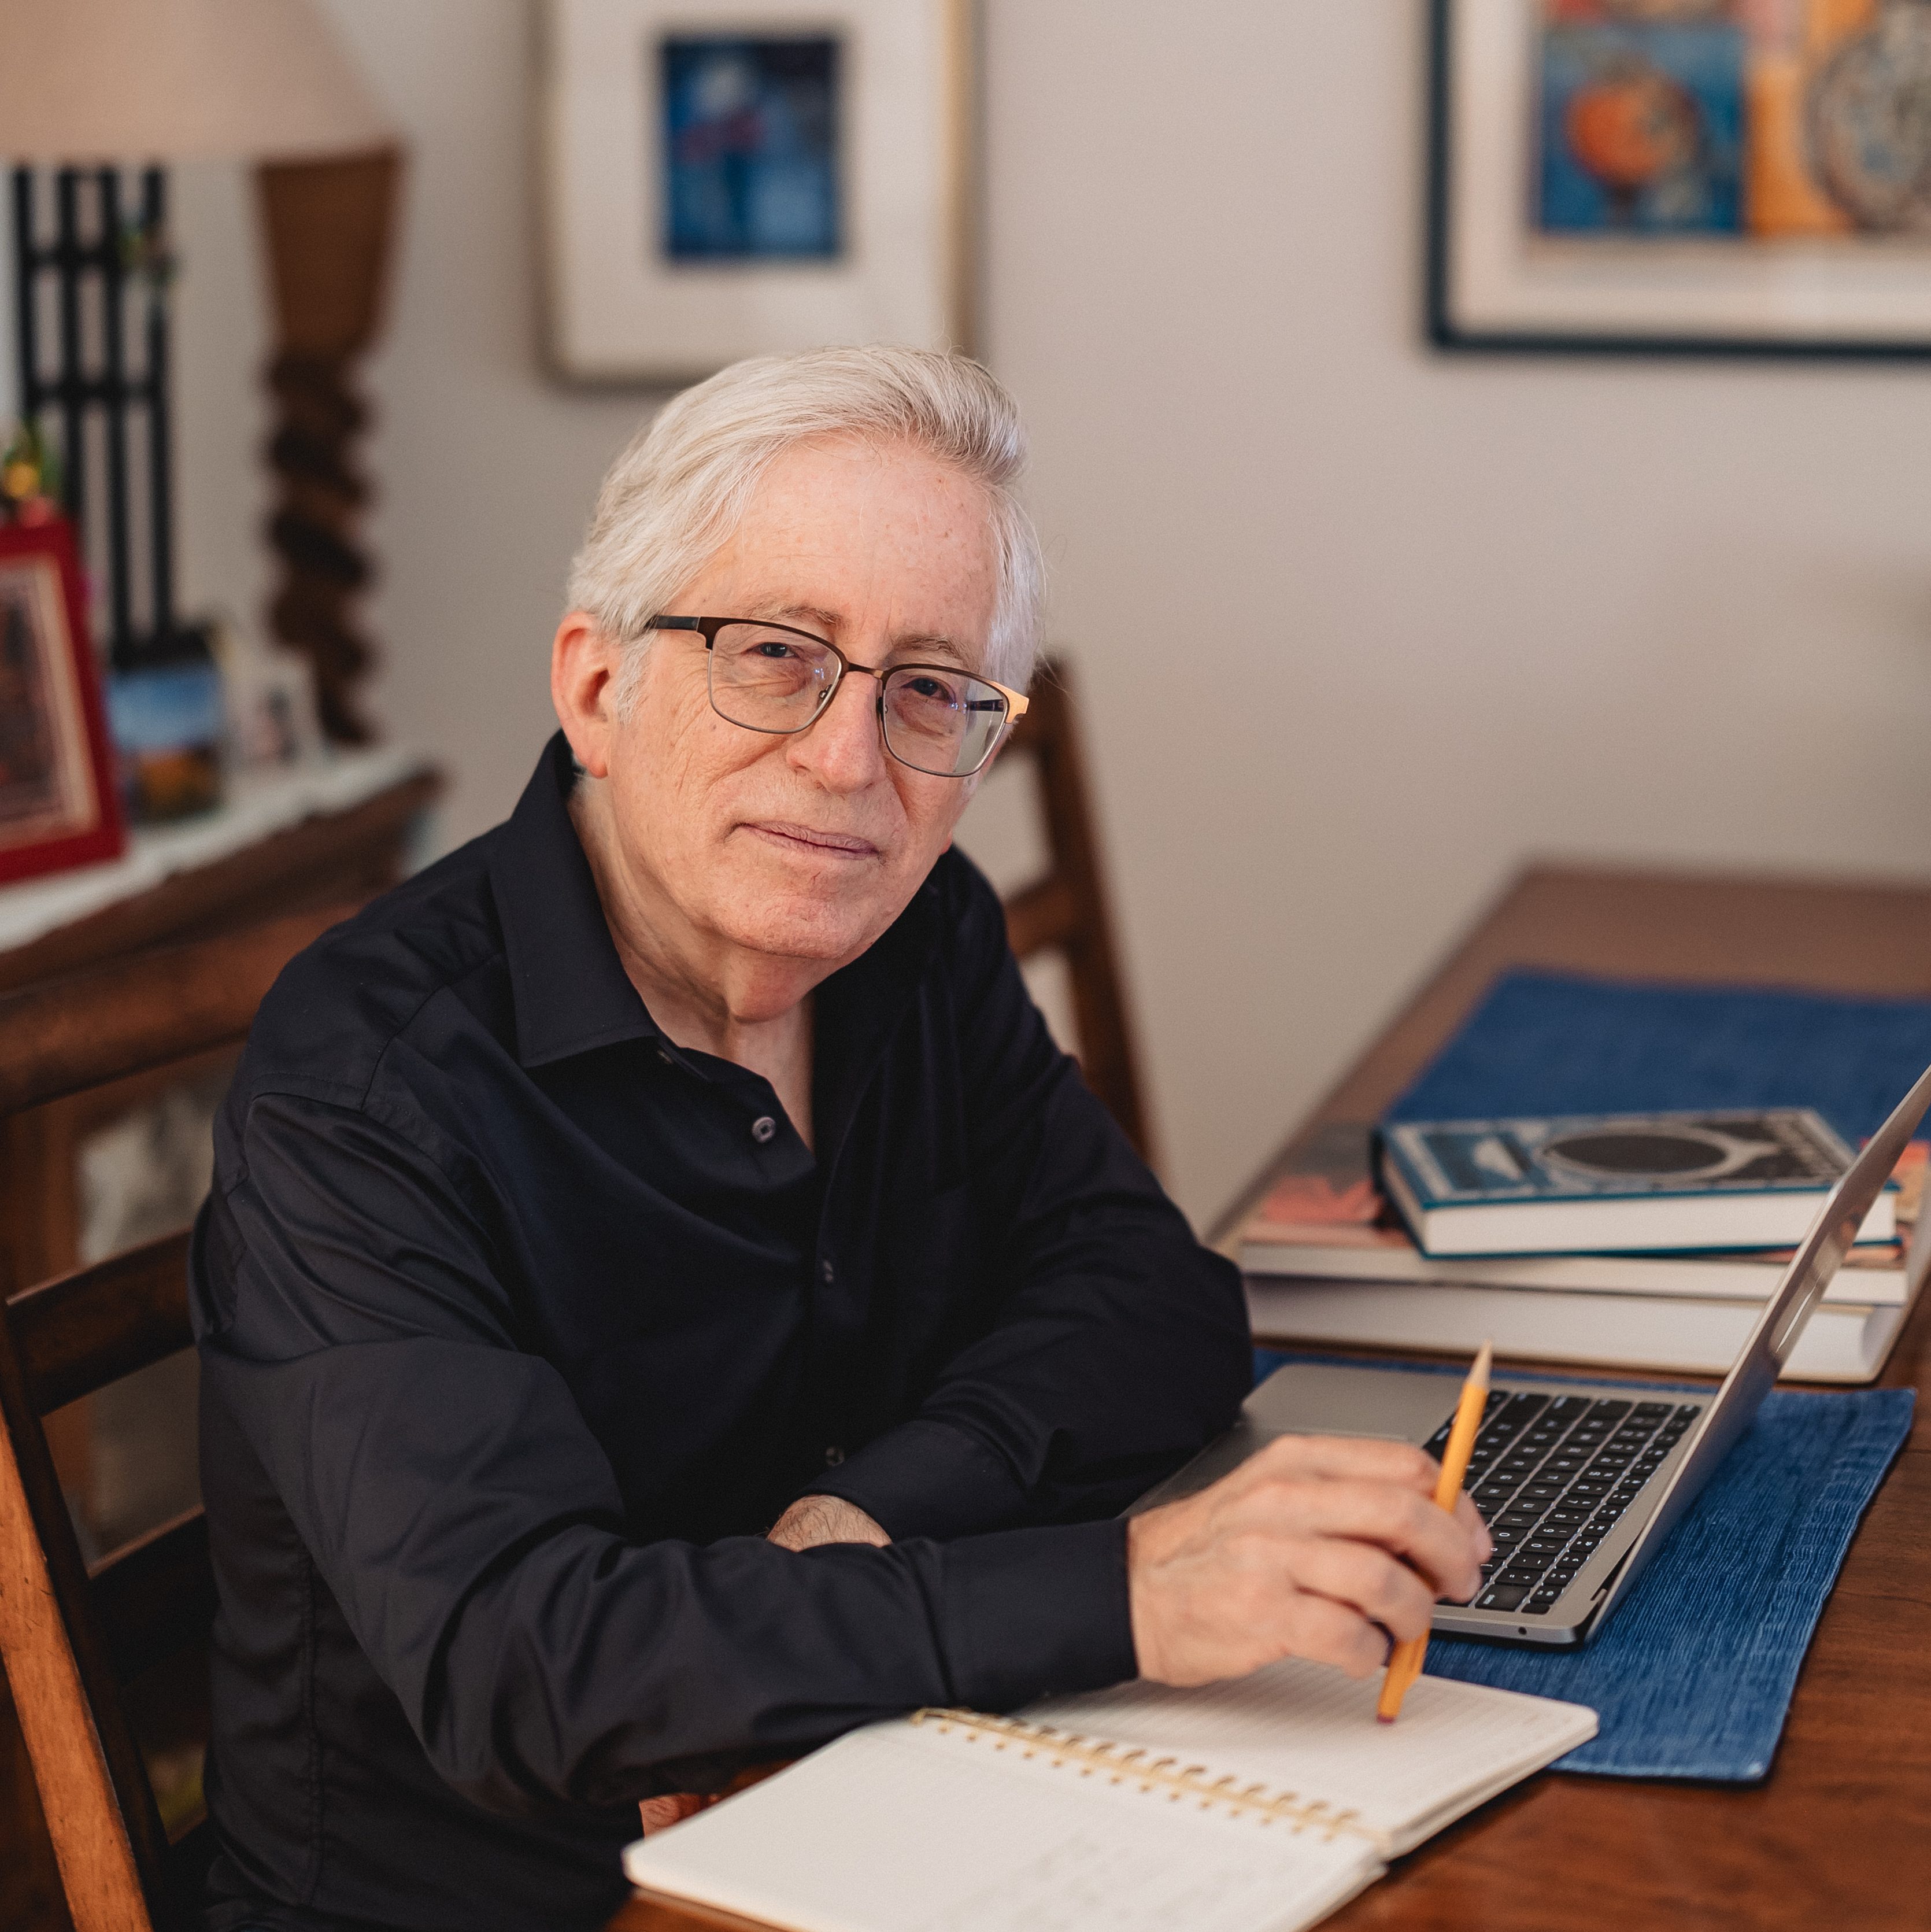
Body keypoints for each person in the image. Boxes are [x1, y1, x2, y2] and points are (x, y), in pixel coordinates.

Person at [191, 345, 1488, 1932]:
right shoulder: (368, 1083)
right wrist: (1131, 1591)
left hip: (885, 1784)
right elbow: (521, 1663)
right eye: (774, 655)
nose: (846, 761)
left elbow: (1152, 1298)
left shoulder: (912, 935)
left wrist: (860, 1521)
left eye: (928, 689)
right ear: (599, 686)